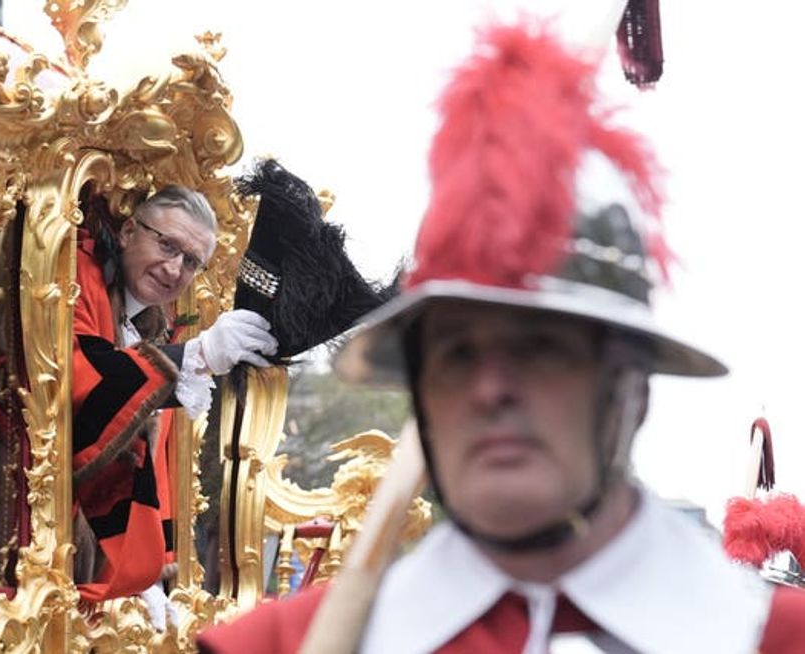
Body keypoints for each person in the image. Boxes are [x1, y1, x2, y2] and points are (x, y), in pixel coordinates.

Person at [197, 22, 805, 654]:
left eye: (540, 348)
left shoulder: (780, 640)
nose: (489, 389)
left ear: (631, 387)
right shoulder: (268, 646)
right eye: (456, 353)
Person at [72, 185, 277, 602]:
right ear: (129, 231)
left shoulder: (158, 325)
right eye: (167, 245)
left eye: (190, 262)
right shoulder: (74, 270)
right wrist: (194, 355)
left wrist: (150, 569)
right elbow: (76, 378)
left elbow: (157, 461)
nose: (173, 269)